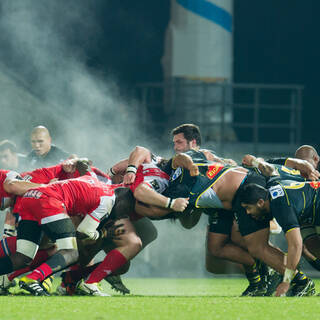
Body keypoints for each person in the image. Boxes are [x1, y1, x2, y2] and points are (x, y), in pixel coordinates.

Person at [239, 180, 320, 296]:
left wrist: (286, 282)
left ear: (261, 202)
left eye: (248, 207)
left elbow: (295, 245)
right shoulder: (274, 195)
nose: (247, 212)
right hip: (313, 207)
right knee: (310, 247)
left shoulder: (280, 205)